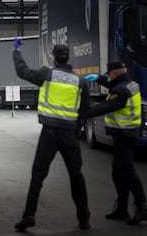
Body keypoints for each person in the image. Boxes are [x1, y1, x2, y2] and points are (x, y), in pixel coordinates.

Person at [13, 40, 91, 231]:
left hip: (49, 133)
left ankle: (29, 215)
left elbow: (23, 72)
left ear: (54, 59)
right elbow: (85, 110)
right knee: (76, 176)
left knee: (38, 174)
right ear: (69, 58)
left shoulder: (46, 74)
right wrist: (76, 127)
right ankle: (84, 218)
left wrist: (16, 52)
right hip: (69, 134)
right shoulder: (81, 82)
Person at [84, 62, 147, 225]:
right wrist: (100, 78)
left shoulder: (120, 91)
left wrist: (85, 112)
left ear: (114, 74)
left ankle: (142, 207)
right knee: (118, 172)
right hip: (127, 133)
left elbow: (108, 105)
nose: (108, 77)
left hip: (124, 134)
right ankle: (122, 208)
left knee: (126, 171)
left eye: (109, 74)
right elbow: (112, 83)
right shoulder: (129, 83)